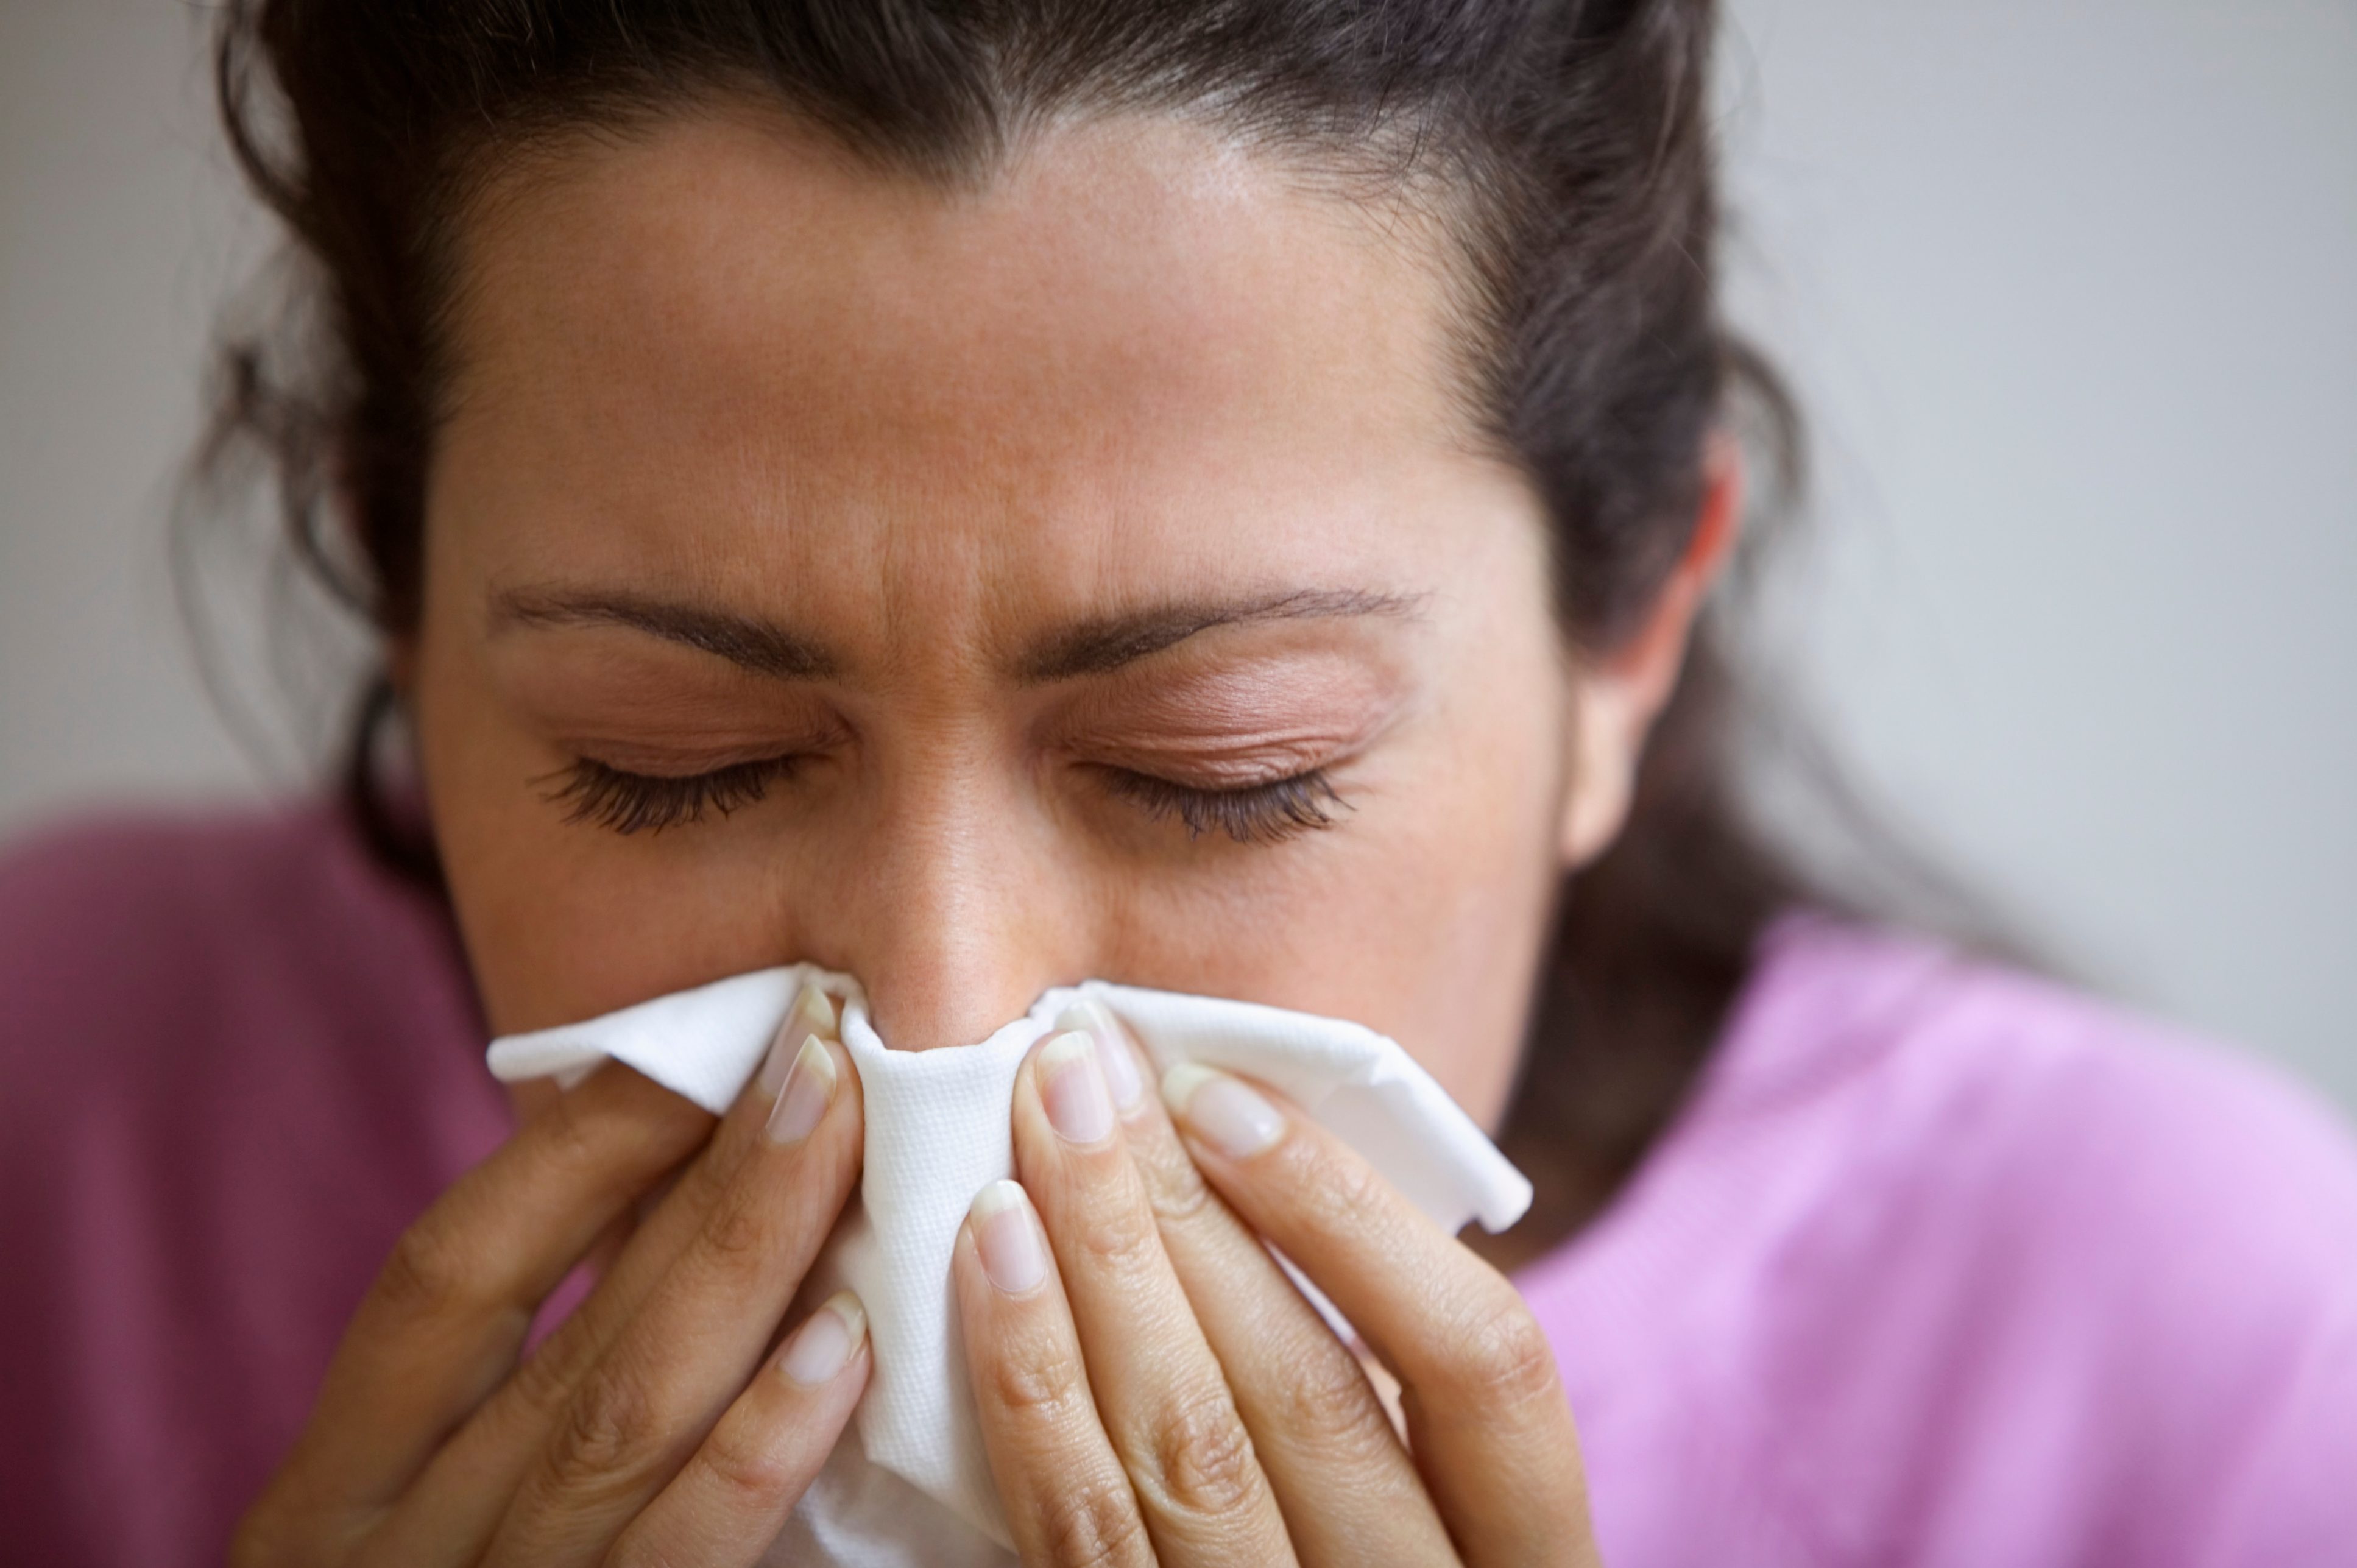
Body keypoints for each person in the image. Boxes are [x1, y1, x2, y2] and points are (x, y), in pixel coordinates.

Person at [2, 2, 2352, 1564]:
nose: (931, 1015)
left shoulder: (2197, 1362)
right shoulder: (65, 1118)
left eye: (1220, 771)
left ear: (1628, 636)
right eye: (669, 763)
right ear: (401, 605)